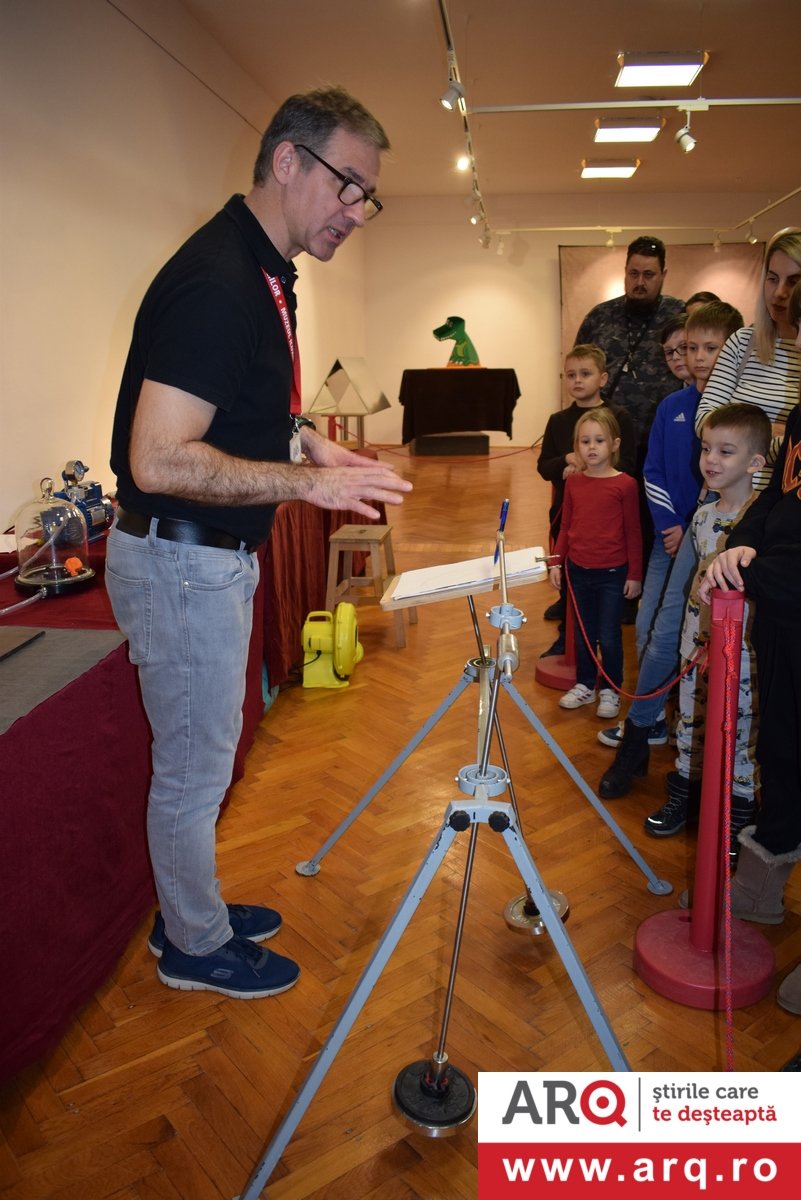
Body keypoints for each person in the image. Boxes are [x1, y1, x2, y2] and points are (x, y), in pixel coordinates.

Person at [105, 86, 412, 1000]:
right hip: (180, 560)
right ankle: (191, 944)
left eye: (367, 195)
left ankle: (189, 905)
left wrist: (306, 440)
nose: (357, 210)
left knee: (204, 760)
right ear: (287, 160)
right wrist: (309, 484)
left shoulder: (263, 266)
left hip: (201, 559)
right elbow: (158, 458)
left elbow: (240, 401)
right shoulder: (221, 281)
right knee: (192, 772)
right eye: (348, 185)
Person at [599, 232, 801, 799]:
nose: (781, 292)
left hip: (778, 521)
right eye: (772, 277)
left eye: (793, 280)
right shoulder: (743, 342)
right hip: (716, 512)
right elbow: (709, 421)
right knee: (670, 630)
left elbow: (776, 444)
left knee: (756, 655)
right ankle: (643, 740)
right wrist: (770, 437)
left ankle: (744, 786)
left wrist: (763, 440)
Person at [700, 280, 801, 1033]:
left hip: (786, 590)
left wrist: (754, 568)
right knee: (782, 749)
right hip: (784, 619)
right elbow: (775, 501)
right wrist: (742, 545)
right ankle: (762, 889)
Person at [598, 301, 743, 754]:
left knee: (681, 631)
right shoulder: (672, 407)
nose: (697, 357)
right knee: (648, 625)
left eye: (710, 348)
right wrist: (671, 526)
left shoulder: (739, 413)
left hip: (715, 542)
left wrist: (694, 529)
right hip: (671, 538)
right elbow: (654, 472)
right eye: (690, 348)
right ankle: (655, 717)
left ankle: (680, 721)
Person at [644, 403, 769, 846]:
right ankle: (685, 793)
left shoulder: (764, 522)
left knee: (741, 730)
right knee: (690, 721)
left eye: (725, 451)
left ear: (755, 462)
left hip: (743, 656)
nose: (710, 460)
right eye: (705, 449)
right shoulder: (701, 516)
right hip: (696, 647)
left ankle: (738, 813)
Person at [537, 344, 636, 652]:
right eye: (571, 375)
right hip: (568, 513)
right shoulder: (558, 420)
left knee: (603, 592)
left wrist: (591, 467)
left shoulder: (618, 417)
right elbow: (544, 466)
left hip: (607, 518)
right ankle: (567, 635)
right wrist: (567, 459)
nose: (577, 380)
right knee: (571, 577)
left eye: (585, 373)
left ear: (603, 378)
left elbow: (629, 464)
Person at [547, 408, 642, 717]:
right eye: (584, 441)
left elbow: (633, 531)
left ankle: (611, 689)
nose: (591, 447)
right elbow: (565, 527)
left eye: (599, 440)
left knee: (609, 635)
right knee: (583, 633)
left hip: (612, 573)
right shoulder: (574, 483)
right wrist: (556, 563)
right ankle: (586, 684)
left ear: (614, 444)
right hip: (578, 570)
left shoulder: (625, 484)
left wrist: (635, 574)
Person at [575, 235, 685, 450]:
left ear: (663, 275)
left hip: (663, 437)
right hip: (604, 441)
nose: (640, 282)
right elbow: (578, 370)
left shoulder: (679, 315)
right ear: (625, 272)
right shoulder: (599, 316)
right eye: (633, 274)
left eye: (649, 275)